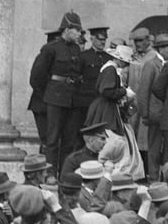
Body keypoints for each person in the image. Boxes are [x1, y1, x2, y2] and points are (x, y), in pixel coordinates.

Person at [34, 11, 84, 171]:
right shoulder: (51, 48)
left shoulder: (76, 49)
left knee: (69, 141)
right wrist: (48, 95)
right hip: (54, 99)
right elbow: (37, 77)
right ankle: (50, 173)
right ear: (67, 29)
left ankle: (64, 173)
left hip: (72, 100)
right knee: (52, 140)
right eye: (76, 30)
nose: (78, 34)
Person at [137, 34, 168, 179]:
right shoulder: (151, 65)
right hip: (155, 114)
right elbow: (143, 91)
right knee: (154, 148)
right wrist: (144, 114)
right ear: (161, 49)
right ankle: (153, 178)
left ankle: (167, 177)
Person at [84, 45, 134, 135]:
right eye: (126, 62)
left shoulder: (111, 68)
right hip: (105, 107)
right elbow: (107, 91)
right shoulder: (110, 69)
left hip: (105, 105)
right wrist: (124, 92)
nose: (127, 65)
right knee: (107, 135)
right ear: (119, 59)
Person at [28, 29, 62, 155]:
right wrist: (48, 95)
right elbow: (35, 80)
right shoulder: (45, 56)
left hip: (51, 103)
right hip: (42, 105)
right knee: (47, 140)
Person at [76, 27, 111, 144]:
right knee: (85, 133)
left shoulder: (108, 58)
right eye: (100, 39)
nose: (103, 42)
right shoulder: (83, 57)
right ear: (92, 39)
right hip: (86, 102)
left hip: (103, 103)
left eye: (104, 39)